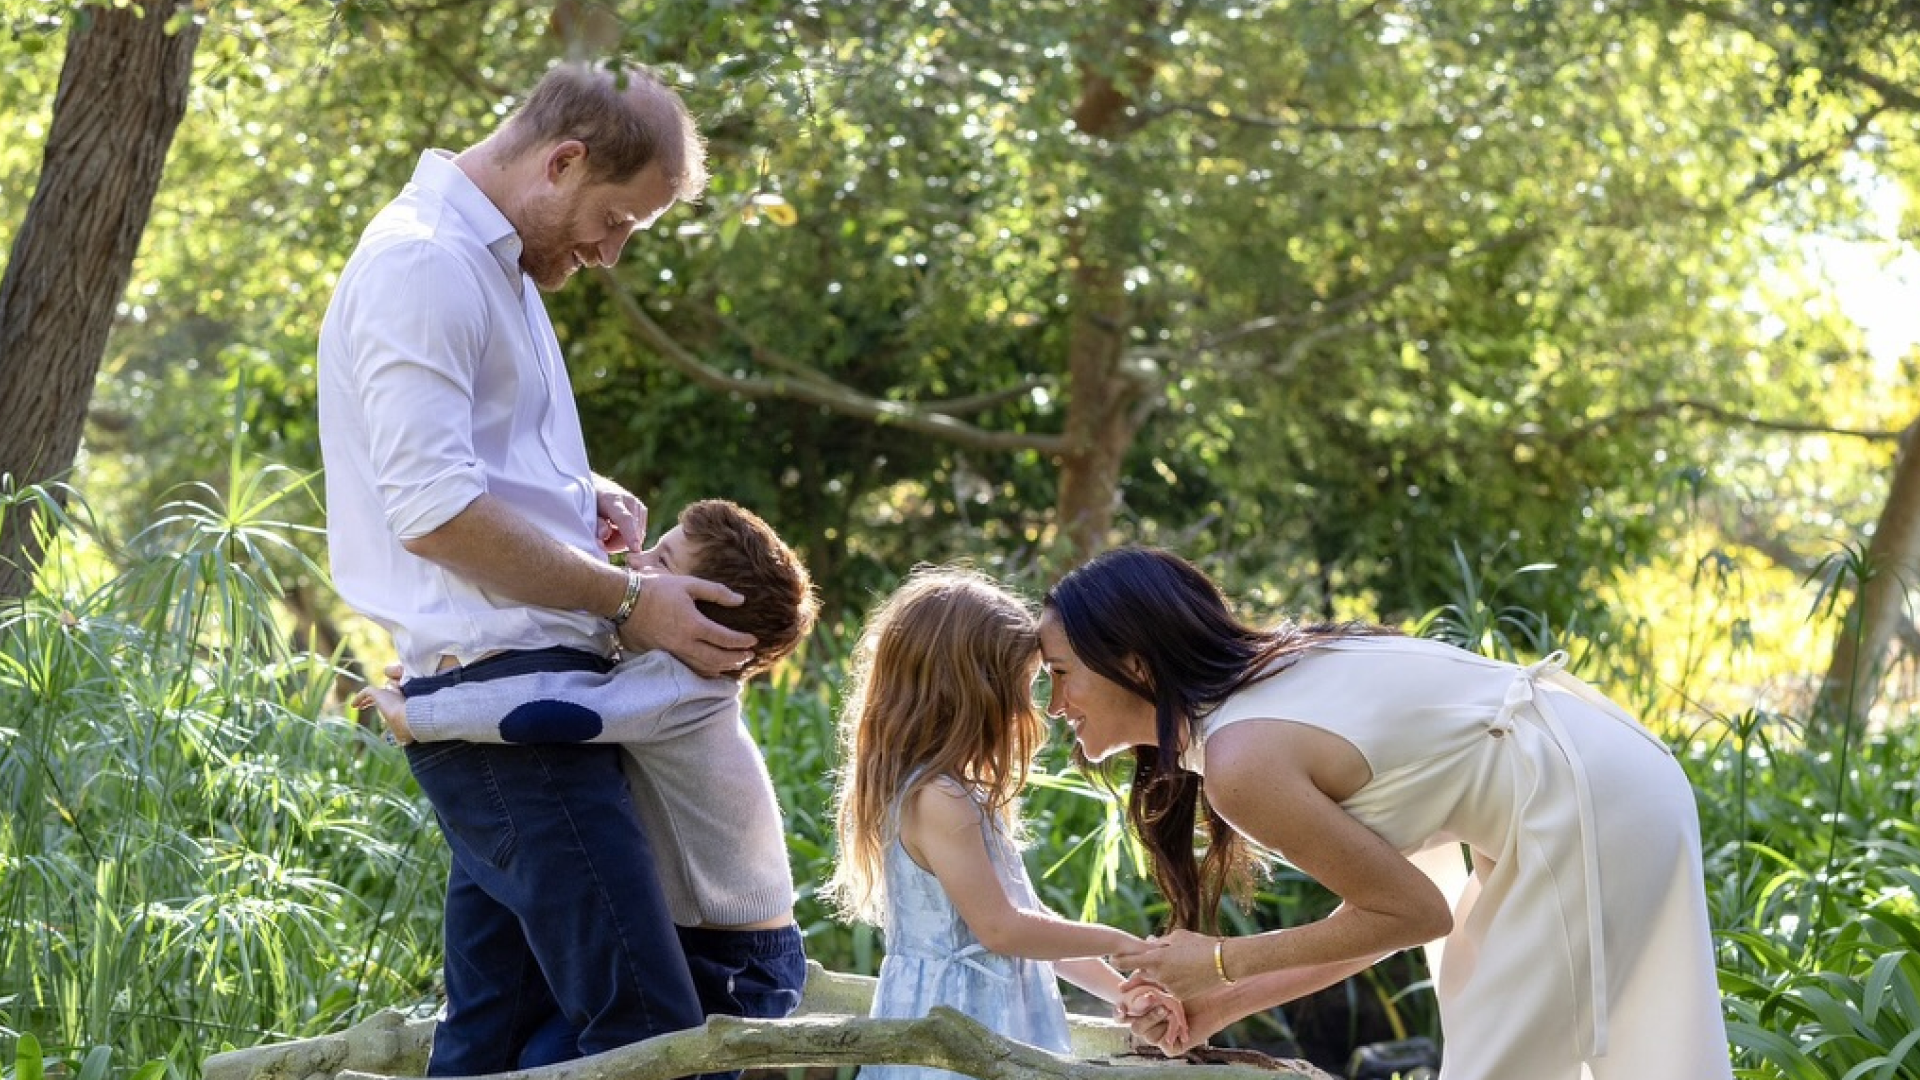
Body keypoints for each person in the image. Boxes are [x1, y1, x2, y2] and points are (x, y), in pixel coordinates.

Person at [317, 61, 756, 1074]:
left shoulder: (495, 267)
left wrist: (576, 496)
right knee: (658, 1040)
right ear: (562, 162)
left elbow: (465, 472)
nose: (608, 254)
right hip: (508, 717)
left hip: (522, 706)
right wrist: (632, 599)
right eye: (616, 221)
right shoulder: (425, 264)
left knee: (497, 1044)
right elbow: (432, 515)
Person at [1037, 547, 1734, 1080]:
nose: (1053, 705)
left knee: (1504, 1058)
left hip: (1584, 798)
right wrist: (1218, 1002)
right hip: (1600, 774)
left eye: (1061, 673)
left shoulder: (1242, 758)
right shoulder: (1263, 696)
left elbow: (1414, 914)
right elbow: (1382, 920)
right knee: (1497, 1025)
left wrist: (1218, 961)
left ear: (1133, 663)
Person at [353, 499, 818, 1039]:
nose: (635, 566)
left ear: (712, 626)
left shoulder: (676, 692)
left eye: (663, 565)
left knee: (627, 1060)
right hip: (703, 938)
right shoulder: (656, 677)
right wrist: (434, 673)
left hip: (735, 963)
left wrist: (421, 714)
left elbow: (552, 710)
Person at [825, 566, 1186, 1080]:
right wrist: (1122, 941)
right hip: (951, 1033)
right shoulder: (937, 799)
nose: (1032, 710)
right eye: (1025, 689)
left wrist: (1120, 989)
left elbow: (1034, 927)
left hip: (987, 1024)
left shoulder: (955, 793)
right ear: (974, 691)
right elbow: (1002, 930)